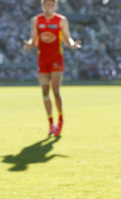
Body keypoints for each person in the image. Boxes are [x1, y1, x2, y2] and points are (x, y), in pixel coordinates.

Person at [23, 0, 81, 137]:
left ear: (56, 6)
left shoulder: (61, 20)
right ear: (42, 6)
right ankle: (51, 123)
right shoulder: (36, 20)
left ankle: (60, 119)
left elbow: (67, 39)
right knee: (44, 92)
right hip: (42, 59)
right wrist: (30, 44)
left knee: (55, 91)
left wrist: (72, 45)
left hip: (56, 59)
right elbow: (34, 39)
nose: (50, 7)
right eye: (47, 5)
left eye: (52, 5)